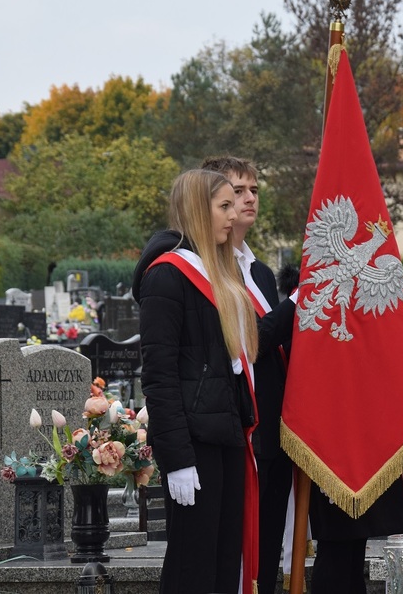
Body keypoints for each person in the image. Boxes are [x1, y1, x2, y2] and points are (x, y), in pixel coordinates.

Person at [133, 169, 260, 594]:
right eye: (223, 206)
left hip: (225, 434)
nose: (233, 214)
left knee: (225, 561)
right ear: (195, 209)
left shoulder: (217, 272)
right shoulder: (166, 276)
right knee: (193, 565)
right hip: (193, 443)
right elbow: (159, 376)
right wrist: (177, 458)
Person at [201, 155, 297, 594]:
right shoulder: (207, 266)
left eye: (254, 190)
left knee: (272, 543)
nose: (248, 199)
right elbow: (245, 341)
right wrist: (293, 306)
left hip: (276, 424)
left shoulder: (258, 270)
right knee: (241, 551)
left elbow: (275, 347)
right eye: (237, 191)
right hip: (241, 427)